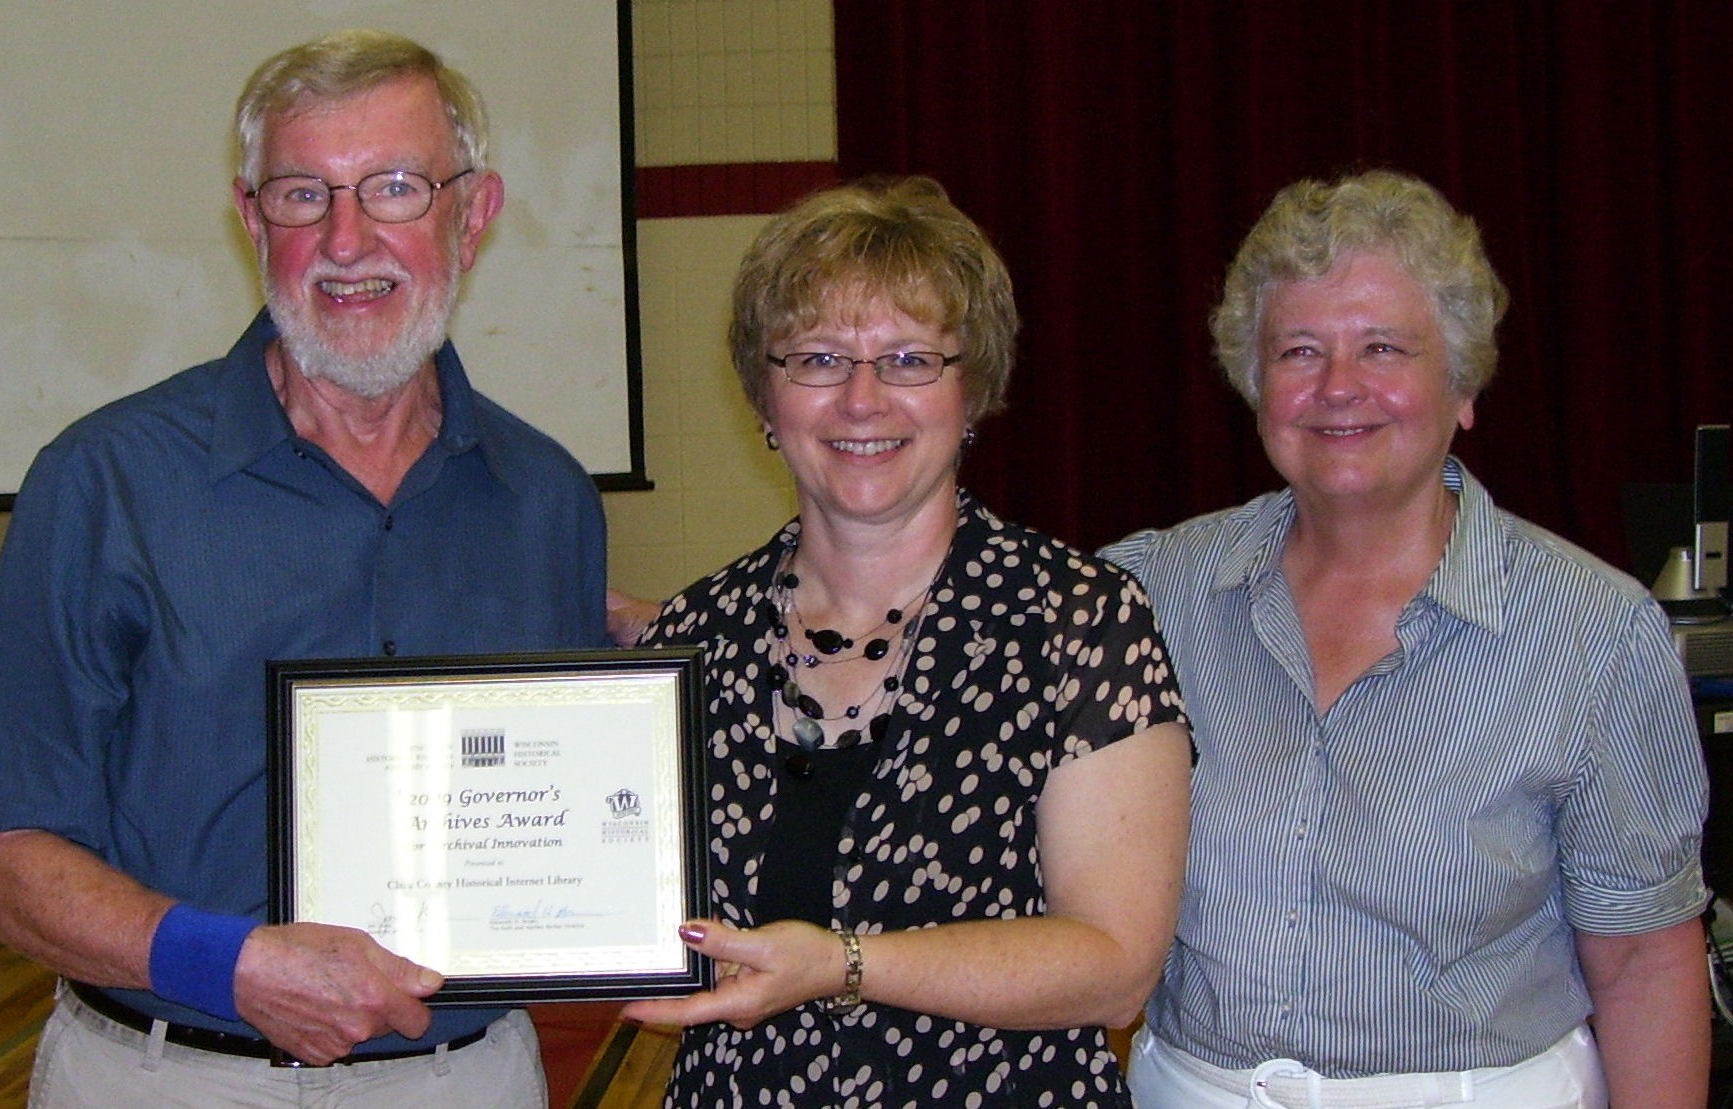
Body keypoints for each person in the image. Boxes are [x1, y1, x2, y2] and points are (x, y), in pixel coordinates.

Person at [0, 30, 606, 1108]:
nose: (346, 240)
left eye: (392, 188)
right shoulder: (106, 482)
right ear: (251, 220)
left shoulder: (550, 500)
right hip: (167, 1077)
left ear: (471, 215)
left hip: (462, 1080)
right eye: (302, 195)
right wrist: (230, 964)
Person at [1100, 168, 1710, 1108]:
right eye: (1300, 350)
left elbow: (1643, 962)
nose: (1339, 387)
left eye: (1384, 346)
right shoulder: (1148, 595)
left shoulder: (1594, 631)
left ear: (1463, 385)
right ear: (1256, 386)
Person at [616, 176, 1194, 1107]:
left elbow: (1114, 965)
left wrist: (844, 963)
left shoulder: (1081, 622)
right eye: (816, 358)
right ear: (766, 398)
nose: (861, 398)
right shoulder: (689, 638)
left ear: (973, 390)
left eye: (910, 359)